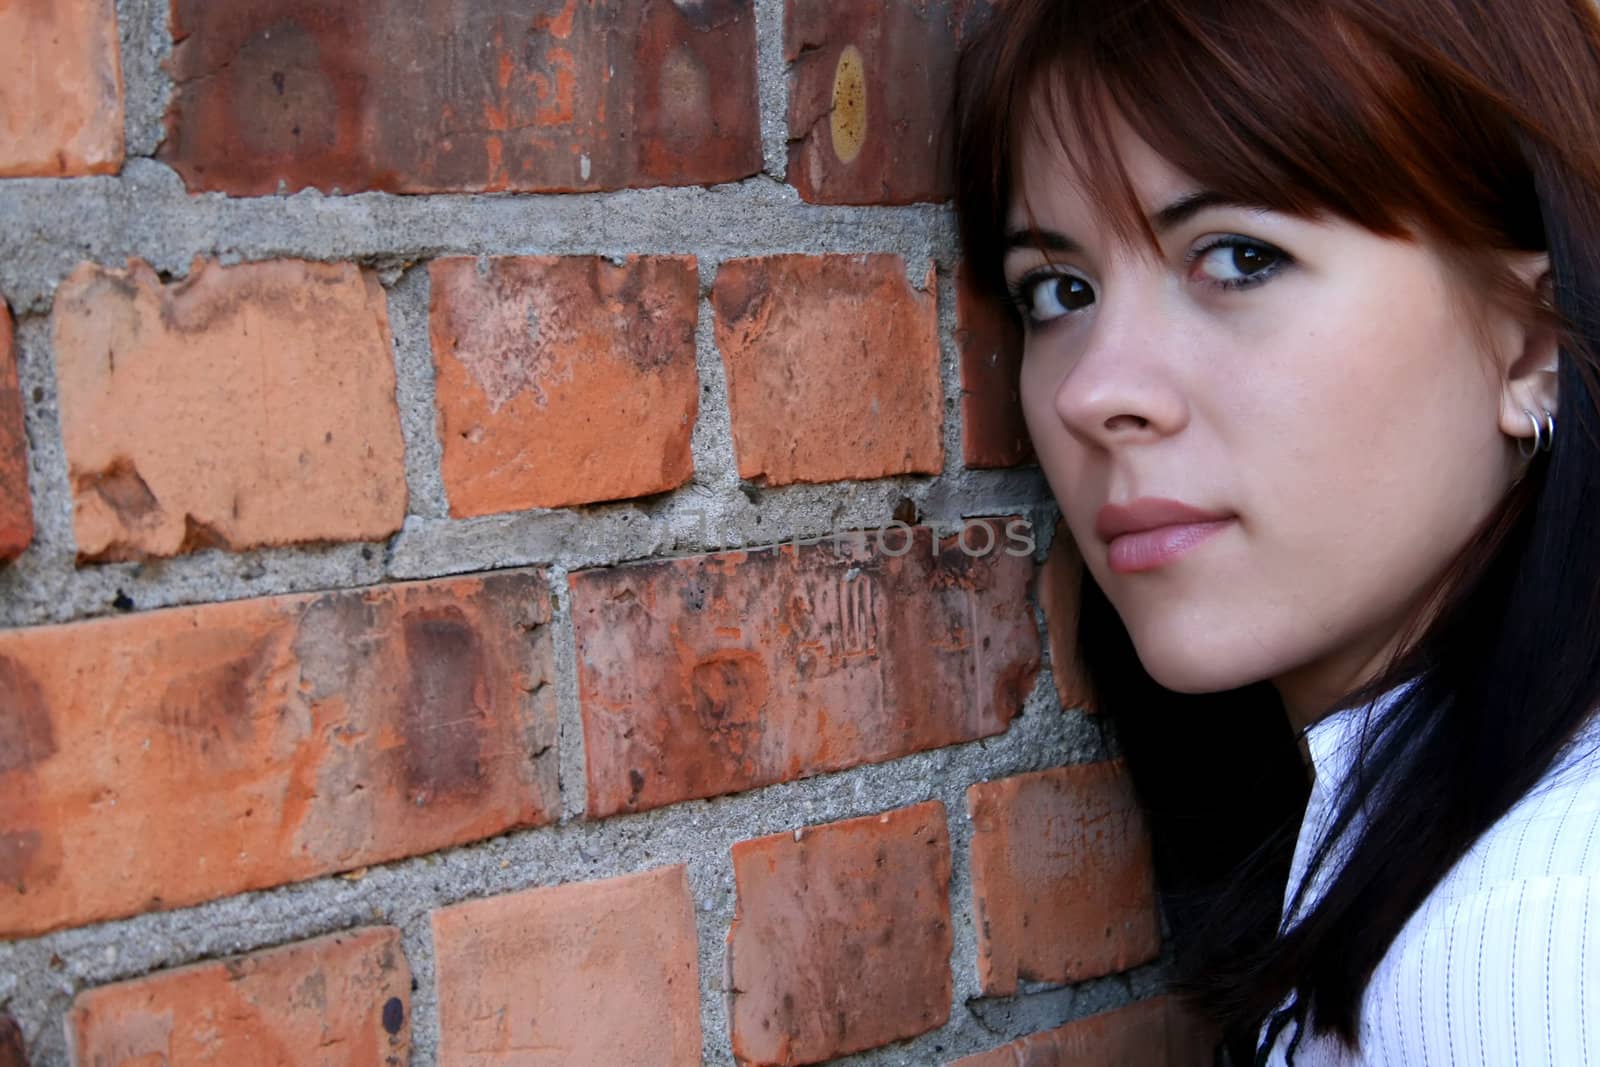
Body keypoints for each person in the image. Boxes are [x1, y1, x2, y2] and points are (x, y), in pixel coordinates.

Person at [950, 1, 1600, 1064]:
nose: (1098, 391)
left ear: (1528, 343)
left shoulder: (1523, 929)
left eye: (1240, 259)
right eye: (1058, 290)